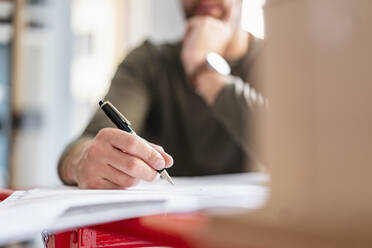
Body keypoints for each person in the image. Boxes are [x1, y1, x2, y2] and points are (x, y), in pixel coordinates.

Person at [58, 0, 264, 189]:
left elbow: (292, 151)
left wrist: (204, 73)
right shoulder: (148, 62)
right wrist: (81, 162)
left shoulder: (278, 58)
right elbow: (86, 143)